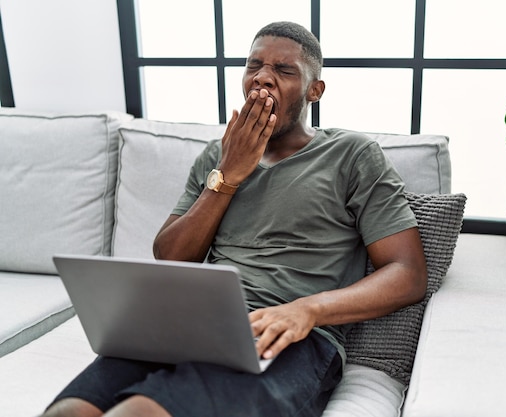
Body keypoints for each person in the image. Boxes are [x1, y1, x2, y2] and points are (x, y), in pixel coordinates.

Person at [42, 21, 427, 417]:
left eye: (284, 70)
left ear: (315, 90)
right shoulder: (218, 157)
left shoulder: (352, 155)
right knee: (69, 411)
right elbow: (172, 257)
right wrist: (227, 177)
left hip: (291, 336)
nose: (263, 78)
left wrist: (308, 309)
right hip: (192, 324)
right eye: (254, 66)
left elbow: (408, 273)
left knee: (140, 413)